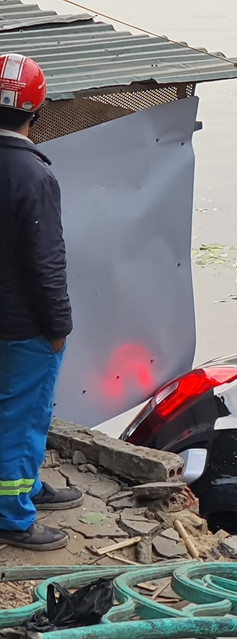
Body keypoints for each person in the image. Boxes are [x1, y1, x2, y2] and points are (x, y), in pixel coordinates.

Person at [0, 53, 83, 551]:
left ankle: (26, 487)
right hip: (23, 326)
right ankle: (13, 514)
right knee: (22, 417)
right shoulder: (34, 177)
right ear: (38, 109)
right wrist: (59, 325)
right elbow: (45, 263)